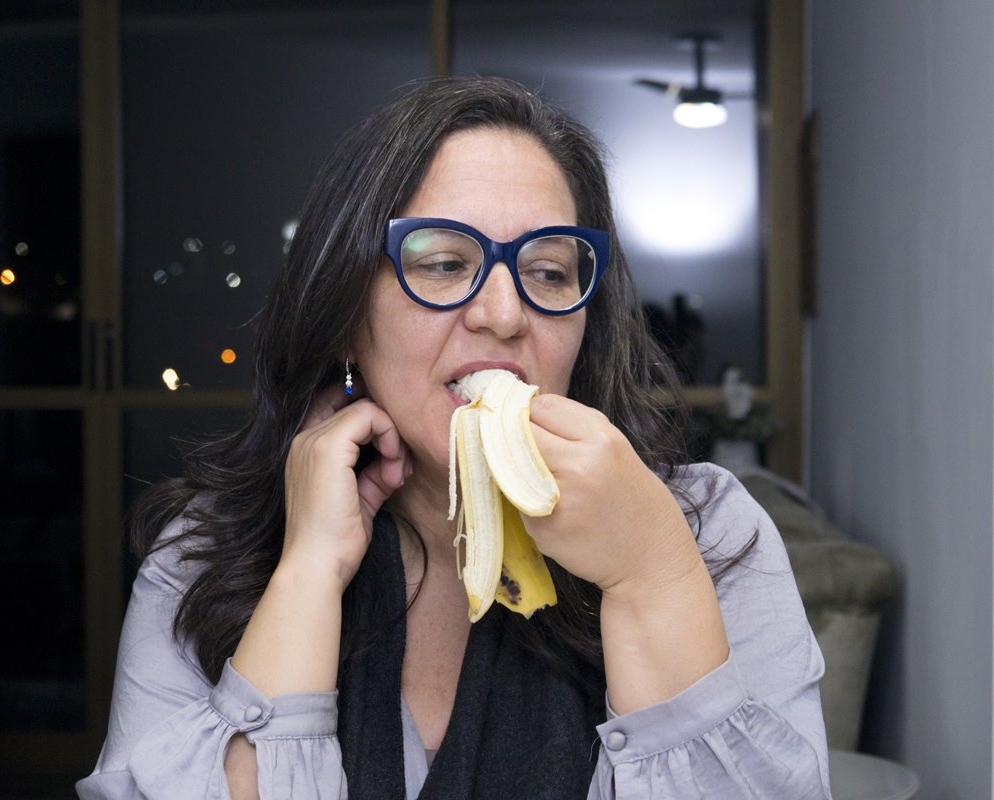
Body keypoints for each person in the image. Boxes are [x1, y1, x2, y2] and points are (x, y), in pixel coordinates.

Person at [77, 76, 831, 799]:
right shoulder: (207, 553)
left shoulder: (707, 534)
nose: (504, 314)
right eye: (443, 264)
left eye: (547, 271)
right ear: (345, 316)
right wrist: (307, 573)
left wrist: (649, 577)